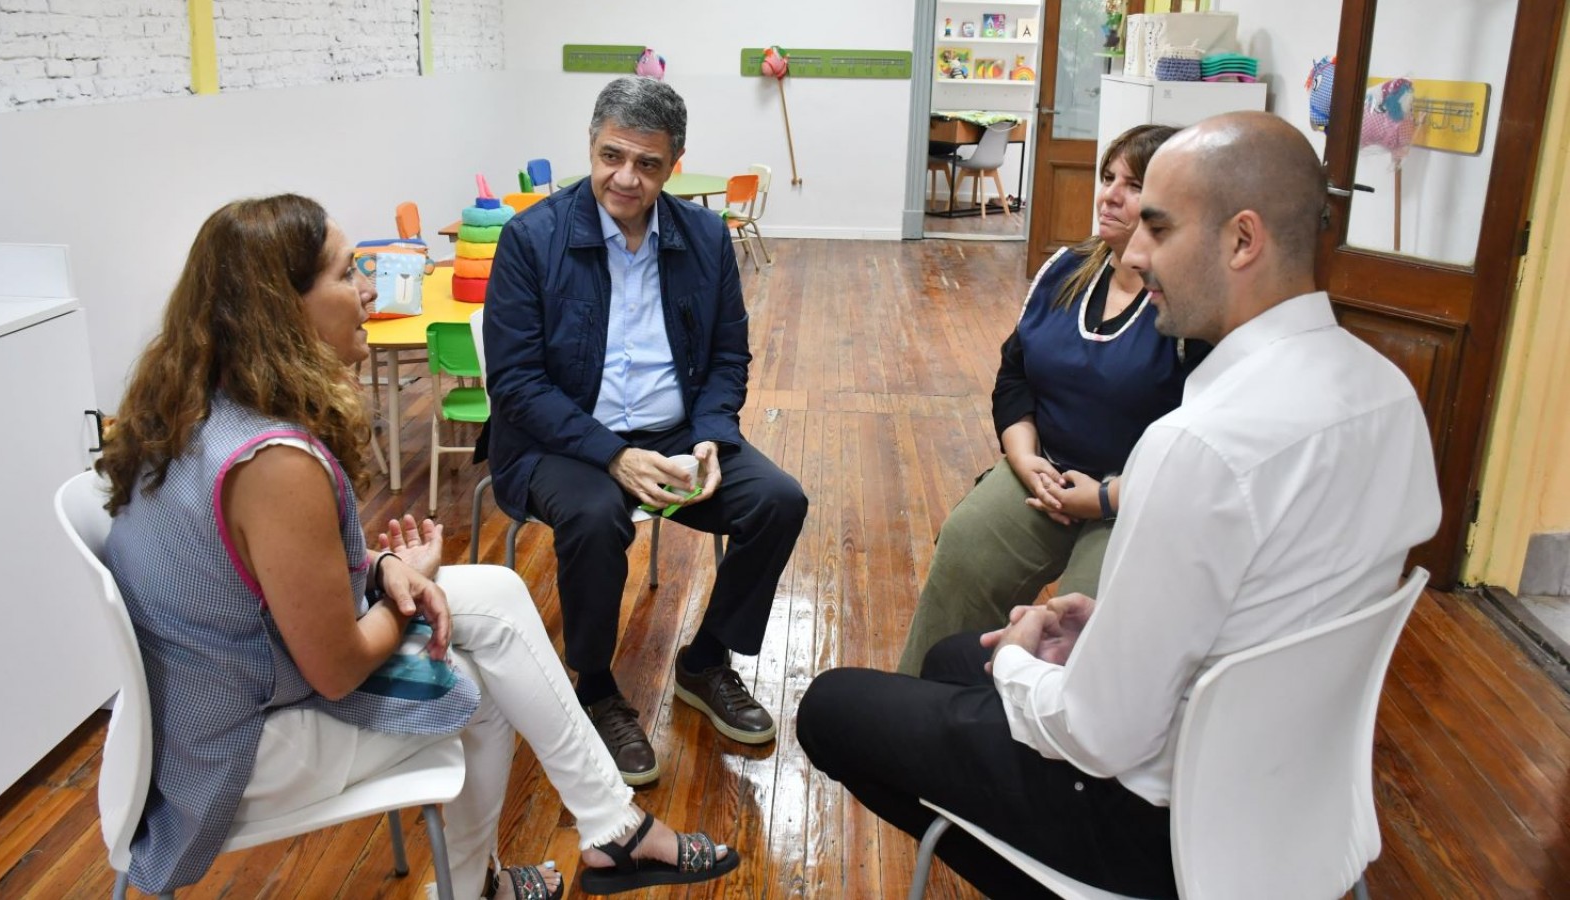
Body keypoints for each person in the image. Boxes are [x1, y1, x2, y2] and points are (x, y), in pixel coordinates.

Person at [797, 111, 1442, 899]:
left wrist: (1018, 662)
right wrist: (1104, 629)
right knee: (944, 662)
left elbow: (1100, 736)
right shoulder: (1388, 396)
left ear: (1242, 242)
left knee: (832, 707)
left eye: (1158, 228)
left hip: (1162, 826)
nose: (1134, 250)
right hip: (1293, 789)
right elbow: (1274, 604)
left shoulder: (1200, 445)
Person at [98, 194, 740, 899]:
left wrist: (383, 568)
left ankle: (607, 830)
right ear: (281, 310)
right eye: (348, 275)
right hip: (234, 749)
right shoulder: (277, 464)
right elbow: (339, 668)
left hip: (192, 705)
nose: (371, 289)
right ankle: (503, 878)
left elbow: (239, 563)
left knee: (495, 594)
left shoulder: (201, 405)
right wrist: (404, 600)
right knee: (484, 686)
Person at [482, 75, 808, 785]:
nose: (624, 178)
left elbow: (727, 355)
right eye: (611, 156)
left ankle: (705, 661)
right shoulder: (531, 240)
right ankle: (595, 688)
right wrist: (612, 454)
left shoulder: (703, 237)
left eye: (647, 164)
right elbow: (514, 385)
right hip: (561, 442)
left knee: (778, 500)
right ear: (591, 144)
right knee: (598, 516)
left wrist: (711, 436)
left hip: (675, 434)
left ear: (675, 163)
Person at [896, 123, 1204, 676]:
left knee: (1074, 623)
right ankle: (922, 702)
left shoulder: (1191, 308)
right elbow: (1015, 375)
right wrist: (1023, 458)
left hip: (1136, 500)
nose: (1108, 194)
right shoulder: (1064, 270)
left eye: (1132, 185)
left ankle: (1022, 743)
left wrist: (1107, 498)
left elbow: (1203, 450)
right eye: (1108, 176)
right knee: (965, 549)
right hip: (1046, 473)